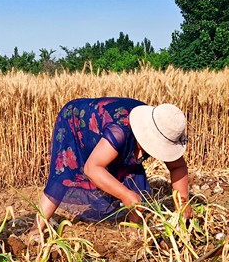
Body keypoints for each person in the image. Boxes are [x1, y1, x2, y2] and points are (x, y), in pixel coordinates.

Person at [35, 97, 191, 231]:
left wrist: (182, 203)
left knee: (134, 181)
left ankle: (133, 231)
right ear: (146, 134)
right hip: (77, 122)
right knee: (64, 173)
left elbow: (178, 166)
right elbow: (92, 168)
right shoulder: (120, 130)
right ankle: (37, 228)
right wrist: (125, 194)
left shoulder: (165, 128)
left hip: (111, 129)